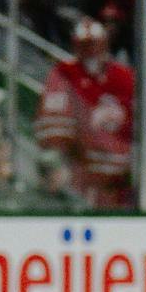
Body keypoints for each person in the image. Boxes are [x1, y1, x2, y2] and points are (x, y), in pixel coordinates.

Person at [35, 18, 134, 208]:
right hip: (79, 178)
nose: (90, 50)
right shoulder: (63, 73)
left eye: (94, 44)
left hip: (119, 182)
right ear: (75, 44)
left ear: (105, 43)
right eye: (85, 45)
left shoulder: (124, 76)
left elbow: (136, 125)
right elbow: (54, 132)